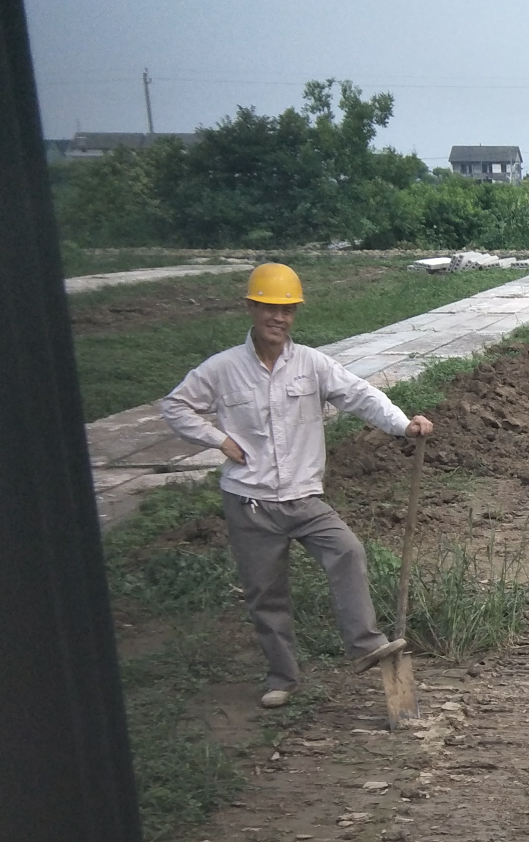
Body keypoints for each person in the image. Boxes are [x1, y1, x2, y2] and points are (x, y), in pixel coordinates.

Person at [160, 261, 434, 708]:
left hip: (304, 498)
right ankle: (282, 678)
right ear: (251, 308)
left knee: (347, 549)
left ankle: (365, 643)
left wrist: (403, 425)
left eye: (288, 310)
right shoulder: (223, 369)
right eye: (270, 308)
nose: (279, 318)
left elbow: (360, 395)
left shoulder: (311, 365)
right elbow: (176, 406)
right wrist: (218, 439)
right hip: (249, 500)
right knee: (265, 593)